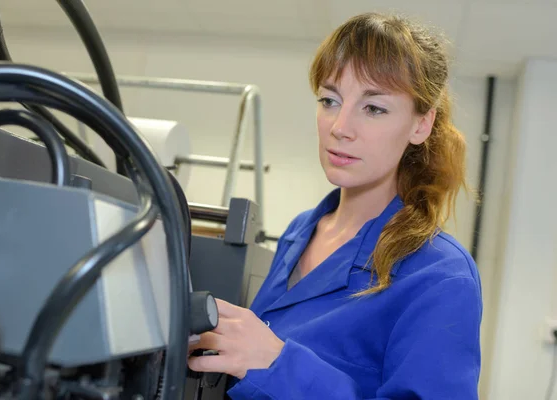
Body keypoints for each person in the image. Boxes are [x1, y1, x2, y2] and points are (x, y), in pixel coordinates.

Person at [188, 11, 482, 400]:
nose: (340, 126)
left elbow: (272, 364)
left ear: (420, 125)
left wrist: (277, 363)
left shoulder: (440, 276)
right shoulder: (300, 231)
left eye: (373, 108)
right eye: (330, 100)